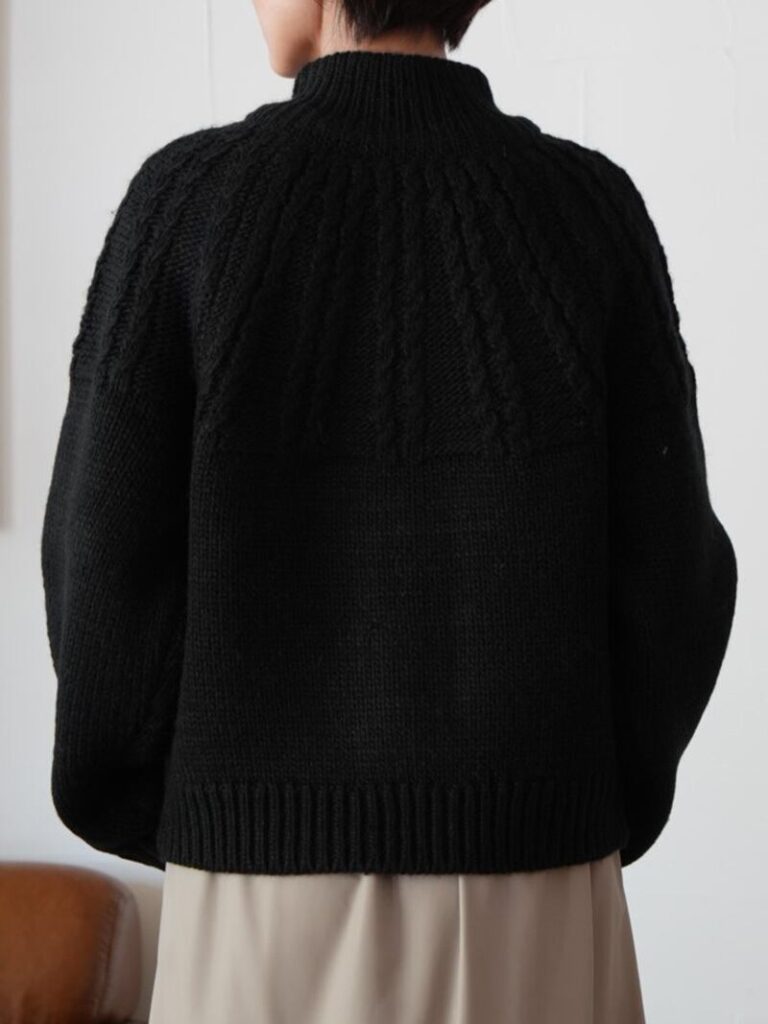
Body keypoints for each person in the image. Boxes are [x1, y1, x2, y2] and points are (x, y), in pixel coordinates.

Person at [40, 0, 738, 1019]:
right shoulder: (590, 212)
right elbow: (675, 581)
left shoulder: (187, 204)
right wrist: (569, 799)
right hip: (540, 888)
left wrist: (201, 815)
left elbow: (100, 568)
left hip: (254, 898)